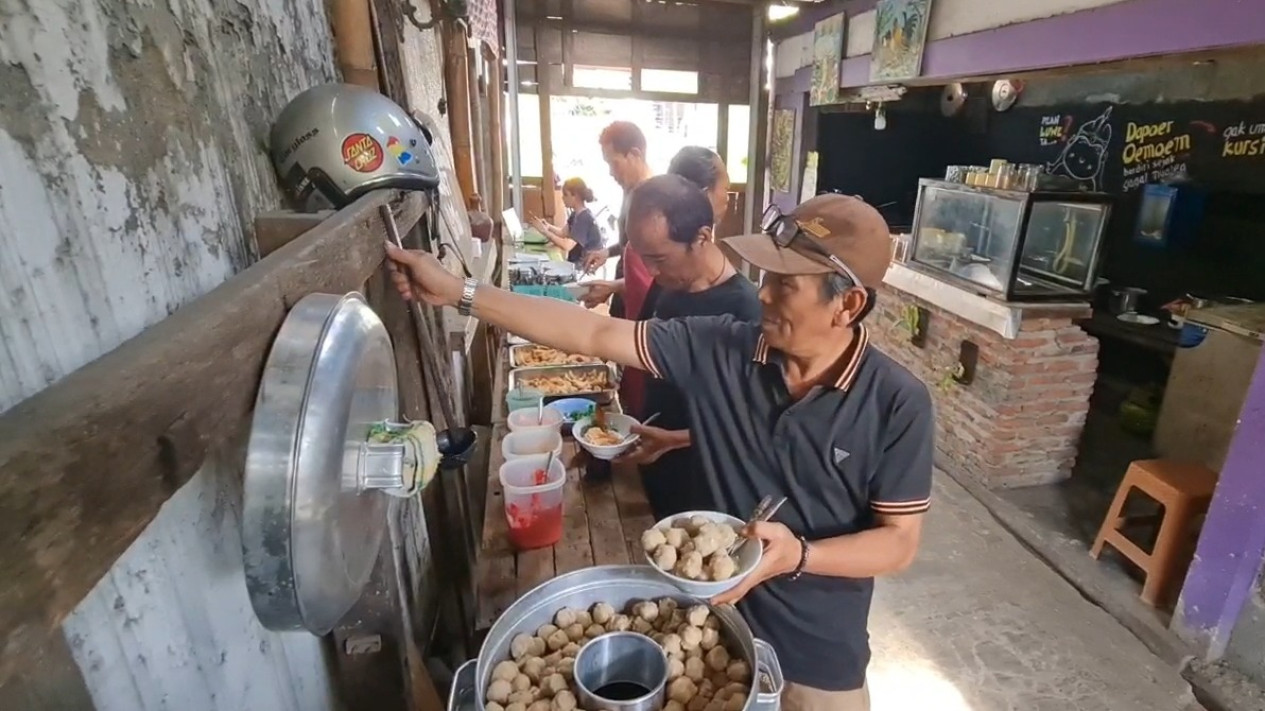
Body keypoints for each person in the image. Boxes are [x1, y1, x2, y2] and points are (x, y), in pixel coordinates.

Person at [385, 191, 935, 711]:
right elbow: (596, 336)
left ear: (848, 305)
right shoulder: (724, 345)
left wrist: (801, 556)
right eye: (766, 276)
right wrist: (460, 292)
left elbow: (898, 543)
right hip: (707, 640)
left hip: (814, 664)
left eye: (786, 285)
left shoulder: (897, 403)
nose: (762, 293)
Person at [615, 152, 760, 521]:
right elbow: (638, 346)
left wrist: (675, 439)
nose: (649, 270)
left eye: (659, 259)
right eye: (642, 257)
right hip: (653, 457)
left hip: (706, 479)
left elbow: (753, 421)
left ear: (702, 237)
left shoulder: (745, 309)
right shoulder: (667, 284)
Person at [580, 121, 656, 416]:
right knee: (622, 380)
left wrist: (612, 287)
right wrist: (607, 251)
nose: (611, 173)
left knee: (637, 387)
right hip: (626, 301)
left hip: (643, 310)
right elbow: (629, 243)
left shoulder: (653, 199)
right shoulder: (630, 192)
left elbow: (656, 279)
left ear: (634, 154)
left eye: (613, 163)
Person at [528, 177, 604, 266]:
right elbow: (563, 233)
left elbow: (567, 245)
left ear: (575, 196)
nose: (563, 198)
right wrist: (548, 226)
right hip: (576, 262)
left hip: (585, 266)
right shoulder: (576, 214)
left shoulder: (584, 218)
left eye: (565, 195)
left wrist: (545, 232)